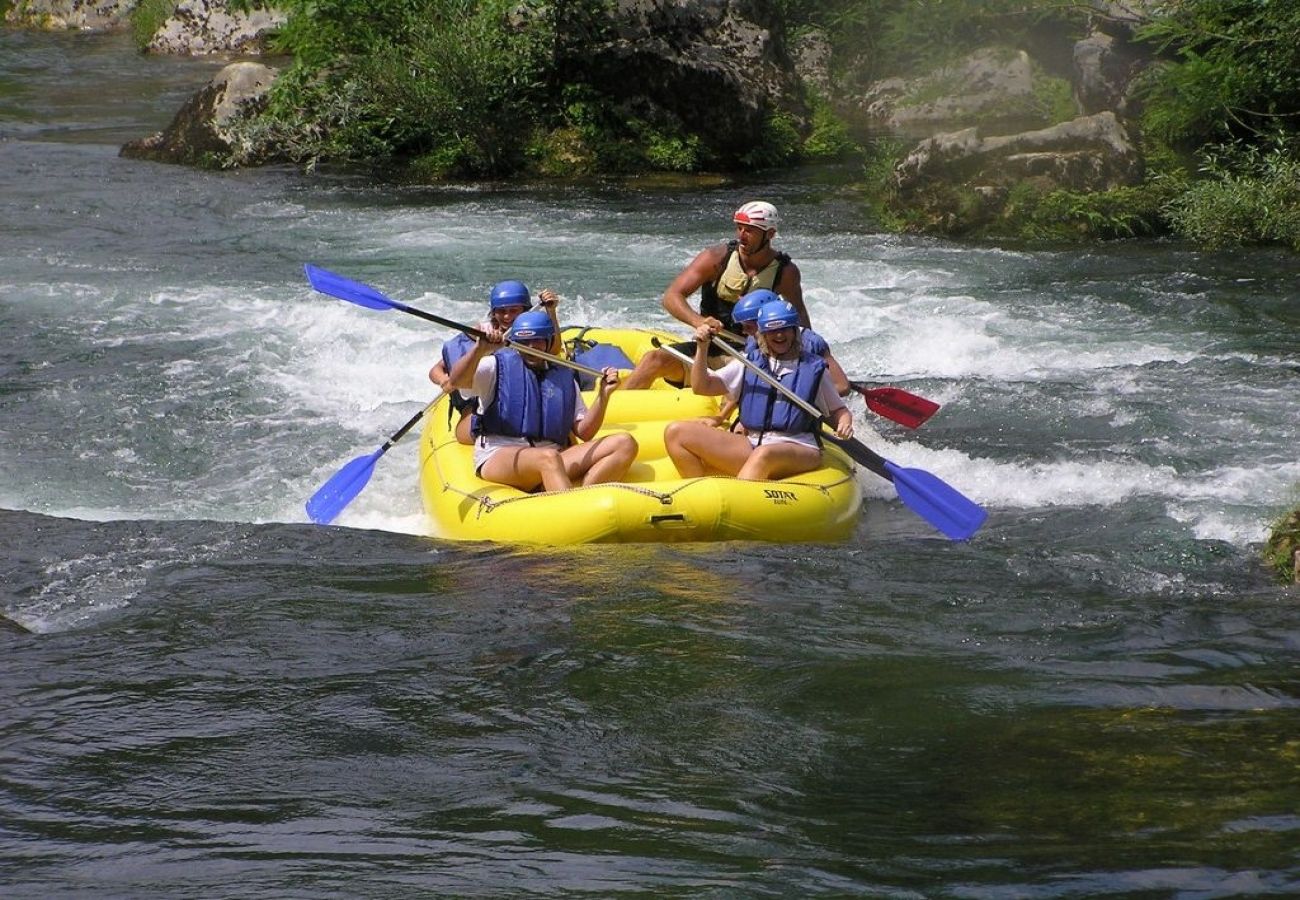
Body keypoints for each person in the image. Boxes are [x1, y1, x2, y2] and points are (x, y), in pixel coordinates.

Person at [622, 200, 809, 389]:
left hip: (750, 354)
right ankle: (609, 409)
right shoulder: (716, 258)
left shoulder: (785, 272)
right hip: (707, 348)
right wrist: (699, 322)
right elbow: (671, 296)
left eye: (749, 230)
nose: (742, 235)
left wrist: (806, 354)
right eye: (739, 228)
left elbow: (799, 315)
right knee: (654, 359)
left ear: (769, 234)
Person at [448, 309, 638, 493]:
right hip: (500, 455)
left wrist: (603, 396)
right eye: (525, 341)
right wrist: (479, 350)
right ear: (515, 341)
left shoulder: (564, 376)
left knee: (624, 442)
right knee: (547, 458)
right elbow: (457, 382)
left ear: (548, 342)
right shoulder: (494, 366)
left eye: (537, 340)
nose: (531, 347)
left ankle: (580, 496)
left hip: (552, 456)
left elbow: (585, 432)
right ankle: (570, 508)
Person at [664, 300, 853, 481]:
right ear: (762, 334)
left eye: (784, 329)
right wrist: (702, 348)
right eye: (772, 331)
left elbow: (838, 410)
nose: (779, 335)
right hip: (754, 442)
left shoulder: (813, 368)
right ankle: (701, 498)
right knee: (676, 432)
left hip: (800, 446)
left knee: (766, 453)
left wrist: (845, 423)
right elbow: (701, 386)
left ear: (795, 331)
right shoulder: (749, 362)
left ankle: (739, 505)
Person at [428, 279, 559, 444]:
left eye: (514, 311)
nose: (507, 316)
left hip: (518, 393)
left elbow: (552, 351)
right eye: (501, 311)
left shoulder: (531, 334)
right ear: (493, 312)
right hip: (479, 397)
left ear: (525, 310)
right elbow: (437, 369)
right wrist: (444, 380)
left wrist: (551, 311)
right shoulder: (481, 332)